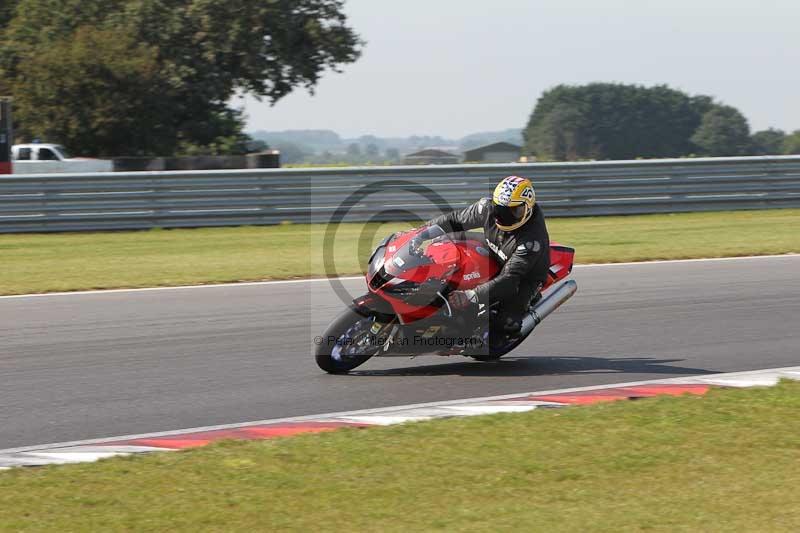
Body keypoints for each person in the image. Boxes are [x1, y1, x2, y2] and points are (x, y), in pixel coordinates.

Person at [411, 175, 550, 337]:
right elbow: (454, 220)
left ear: (527, 208)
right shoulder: (487, 208)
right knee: (444, 242)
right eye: (501, 209)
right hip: (494, 245)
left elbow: (510, 278)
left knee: (506, 324)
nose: (505, 216)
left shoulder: (531, 241)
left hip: (524, 275)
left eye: (514, 211)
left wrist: (471, 295)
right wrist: (420, 233)